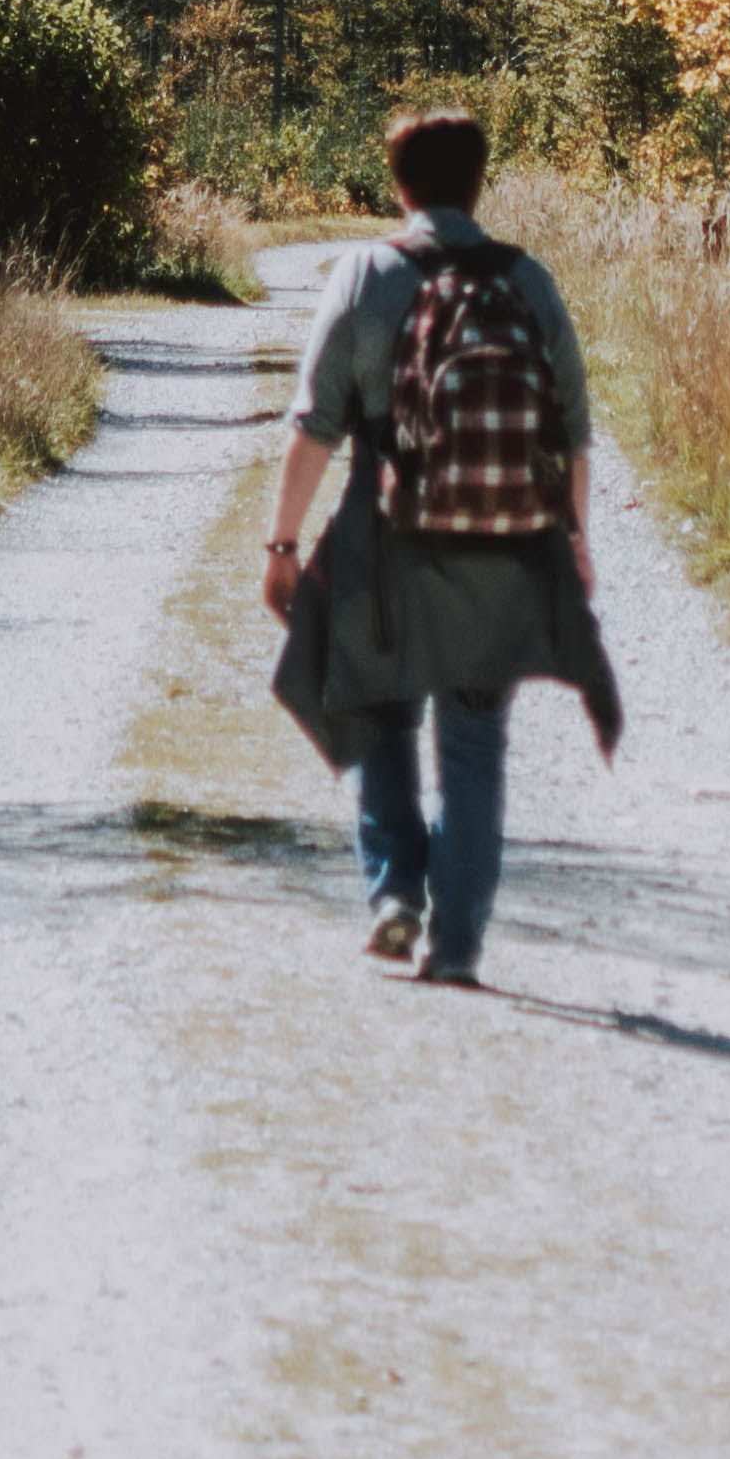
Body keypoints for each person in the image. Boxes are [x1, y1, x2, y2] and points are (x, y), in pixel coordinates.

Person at [263, 105, 612, 986]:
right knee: (474, 741)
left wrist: (284, 543)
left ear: (401, 184)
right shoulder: (527, 281)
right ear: (478, 182)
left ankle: (395, 894)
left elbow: (314, 424)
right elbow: (572, 427)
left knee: (377, 712)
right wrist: (573, 538)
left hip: (385, 531)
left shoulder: (366, 273)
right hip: (502, 541)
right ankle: (456, 947)